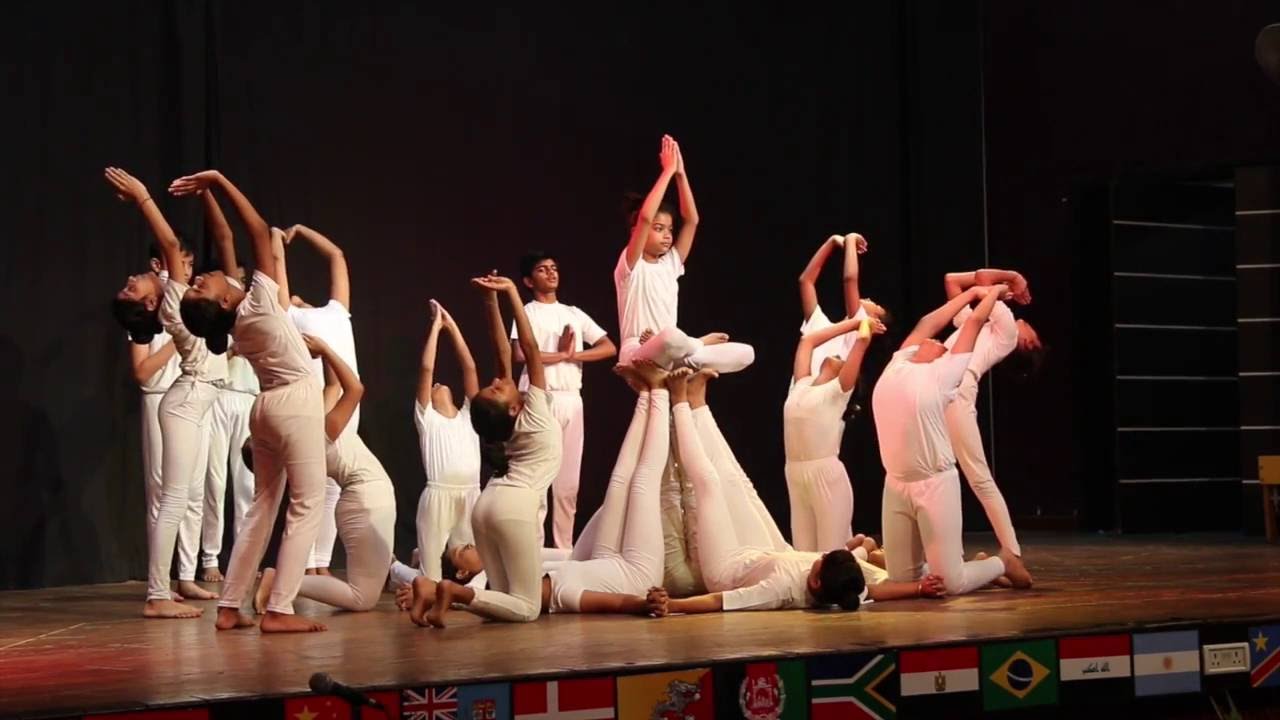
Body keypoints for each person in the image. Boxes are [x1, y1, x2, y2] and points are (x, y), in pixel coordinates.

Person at [646, 370, 943, 616]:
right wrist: (919, 588)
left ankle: (679, 400)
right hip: (769, 553)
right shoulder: (846, 586)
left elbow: (717, 602)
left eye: (822, 560)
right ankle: (699, 402)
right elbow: (875, 591)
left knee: (709, 485)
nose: (823, 555)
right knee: (739, 483)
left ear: (814, 582)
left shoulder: (779, 590)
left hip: (726, 568)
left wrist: (671, 605)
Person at [173, 169, 329, 633]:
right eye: (201, 286)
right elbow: (258, 230)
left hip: (264, 408)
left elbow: (225, 236)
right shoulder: (257, 301)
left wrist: (206, 197)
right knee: (306, 504)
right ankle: (279, 609)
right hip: (295, 401)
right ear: (220, 303)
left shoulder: (240, 311)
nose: (201, 276)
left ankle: (228, 606)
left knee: (263, 504)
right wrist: (219, 180)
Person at [418, 363, 672, 625]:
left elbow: (507, 596)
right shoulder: (556, 591)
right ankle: (655, 392)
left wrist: (643, 604)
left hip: (618, 565)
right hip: (627, 570)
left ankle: (655, 392)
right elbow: (616, 603)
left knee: (633, 481)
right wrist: (644, 604)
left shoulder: (548, 589)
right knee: (634, 482)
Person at [106, 167, 223, 618]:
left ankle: (174, 584)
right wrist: (142, 197)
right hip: (185, 403)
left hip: (192, 399)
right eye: (130, 288)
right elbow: (172, 246)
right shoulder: (174, 299)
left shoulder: (176, 301)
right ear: (150, 304)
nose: (131, 279)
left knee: (185, 496)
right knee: (173, 498)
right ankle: (157, 595)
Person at [871, 283, 1033, 597]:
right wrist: (969, 295)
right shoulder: (899, 362)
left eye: (939, 345)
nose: (933, 340)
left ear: (943, 358)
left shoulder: (945, 374)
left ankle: (1004, 563)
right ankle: (968, 568)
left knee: (951, 584)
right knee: (902, 581)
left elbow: (973, 324)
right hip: (896, 485)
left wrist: (992, 293)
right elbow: (928, 323)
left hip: (934, 485)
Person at [420, 273, 560, 623]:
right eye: (497, 389)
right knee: (528, 608)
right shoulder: (534, 415)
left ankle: (444, 593)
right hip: (512, 507)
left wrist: (489, 302)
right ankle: (452, 592)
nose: (500, 381)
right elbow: (528, 350)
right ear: (512, 408)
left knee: (503, 600)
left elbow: (502, 355)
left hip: (487, 507)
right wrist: (512, 292)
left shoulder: (508, 421)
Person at [253, 335, 396, 612]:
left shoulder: (305, 433)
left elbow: (333, 386)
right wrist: (327, 349)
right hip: (369, 496)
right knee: (362, 597)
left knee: (366, 590)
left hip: (362, 497)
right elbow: (354, 389)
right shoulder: (314, 432)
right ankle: (280, 581)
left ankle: (281, 580)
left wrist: (322, 351)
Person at [615, 135, 753, 372]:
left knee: (746, 353)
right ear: (636, 231)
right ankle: (696, 344)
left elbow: (692, 220)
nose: (667, 235)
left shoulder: (670, 264)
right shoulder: (630, 265)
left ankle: (690, 347)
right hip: (638, 350)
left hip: (674, 350)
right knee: (671, 337)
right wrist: (667, 171)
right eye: (659, 229)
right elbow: (646, 217)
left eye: (669, 229)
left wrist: (681, 174)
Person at [784, 235, 886, 552]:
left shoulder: (853, 338)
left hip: (824, 407)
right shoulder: (826, 327)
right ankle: (858, 547)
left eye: (876, 306)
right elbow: (806, 280)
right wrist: (830, 243)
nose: (869, 300)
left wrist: (852, 241)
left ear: (874, 320)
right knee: (817, 533)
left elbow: (849, 278)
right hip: (802, 401)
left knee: (830, 531)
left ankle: (856, 550)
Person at [511, 250, 616, 549]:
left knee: (568, 484)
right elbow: (519, 353)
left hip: (571, 399)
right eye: (543, 270)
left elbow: (608, 347)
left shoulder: (573, 313)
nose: (551, 273)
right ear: (529, 281)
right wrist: (560, 355)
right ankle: (532, 551)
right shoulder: (527, 312)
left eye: (554, 268)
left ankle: (564, 551)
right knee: (537, 480)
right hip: (539, 399)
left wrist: (574, 355)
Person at [939, 269, 1042, 567]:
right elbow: (952, 280)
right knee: (935, 473)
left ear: (1027, 345)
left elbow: (983, 279)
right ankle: (947, 554)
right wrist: (999, 286)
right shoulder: (972, 325)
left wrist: (1013, 278)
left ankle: (1013, 552)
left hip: (957, 390)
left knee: (979, 477)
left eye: (1033, 333)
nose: (1029, 324)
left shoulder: (1006, 332)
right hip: (935, 386)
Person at [283, 224, 359, 577]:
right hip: (317, 399)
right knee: (311, 485)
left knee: (331, 485)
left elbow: (336, 255)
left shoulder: (337, 310)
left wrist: (300, 231)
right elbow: (276, 273)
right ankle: (305, 563)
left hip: (347, 397)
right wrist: (279, 247)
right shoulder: (289, 315)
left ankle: (320, 562)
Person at [199, 189, 258, 582]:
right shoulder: (215, 308)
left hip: (252, 398)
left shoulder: (259, 304)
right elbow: (225, 239)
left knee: (247, 484)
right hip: (221, 392)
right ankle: (209, 559)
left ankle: (243, 559)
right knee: (214, 479)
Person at [413, 300, 482, 582]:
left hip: (470, 494)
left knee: (476, 561)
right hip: (439, 496)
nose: (437, 383)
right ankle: (401, 570)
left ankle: (462, 590)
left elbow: (470, 367)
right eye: (433, 386)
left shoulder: (470, 416)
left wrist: (452, 327)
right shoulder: (427, 419)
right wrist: (435, 328)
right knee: (430, 577)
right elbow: (426, 367)